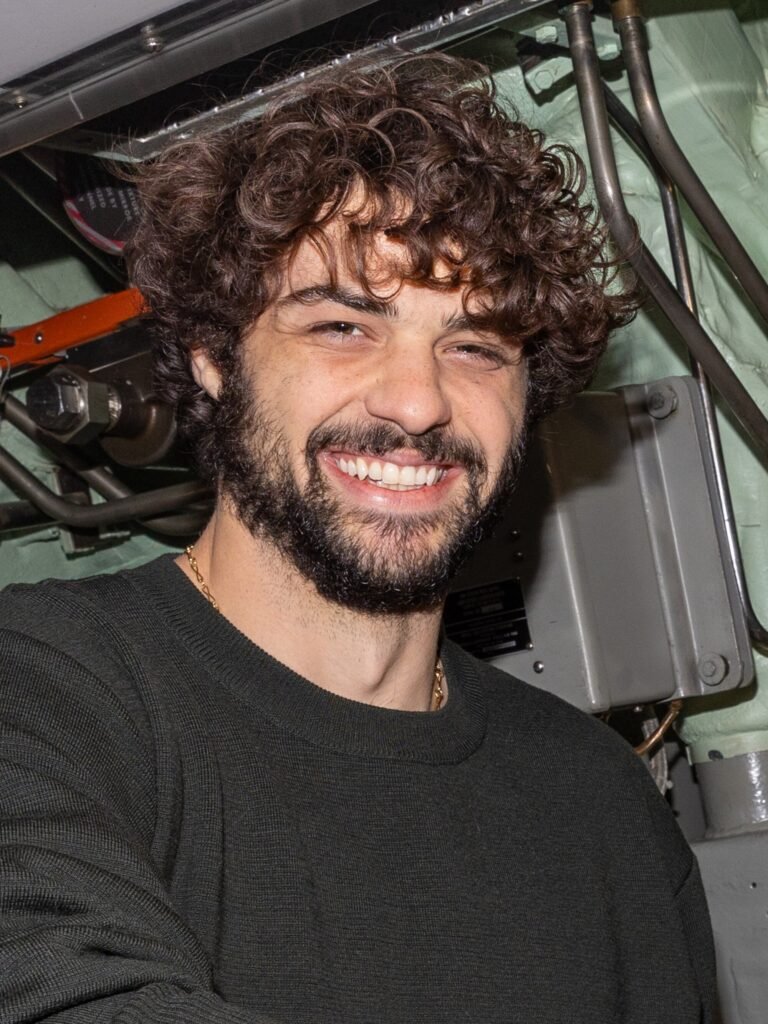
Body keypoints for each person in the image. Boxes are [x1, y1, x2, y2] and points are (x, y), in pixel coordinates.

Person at [0, 51, 716, 1023]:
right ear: (213, 356)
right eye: (342, 325)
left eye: (475, 345)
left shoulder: (604, 807)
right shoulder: (45, 691)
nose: (419, 401)